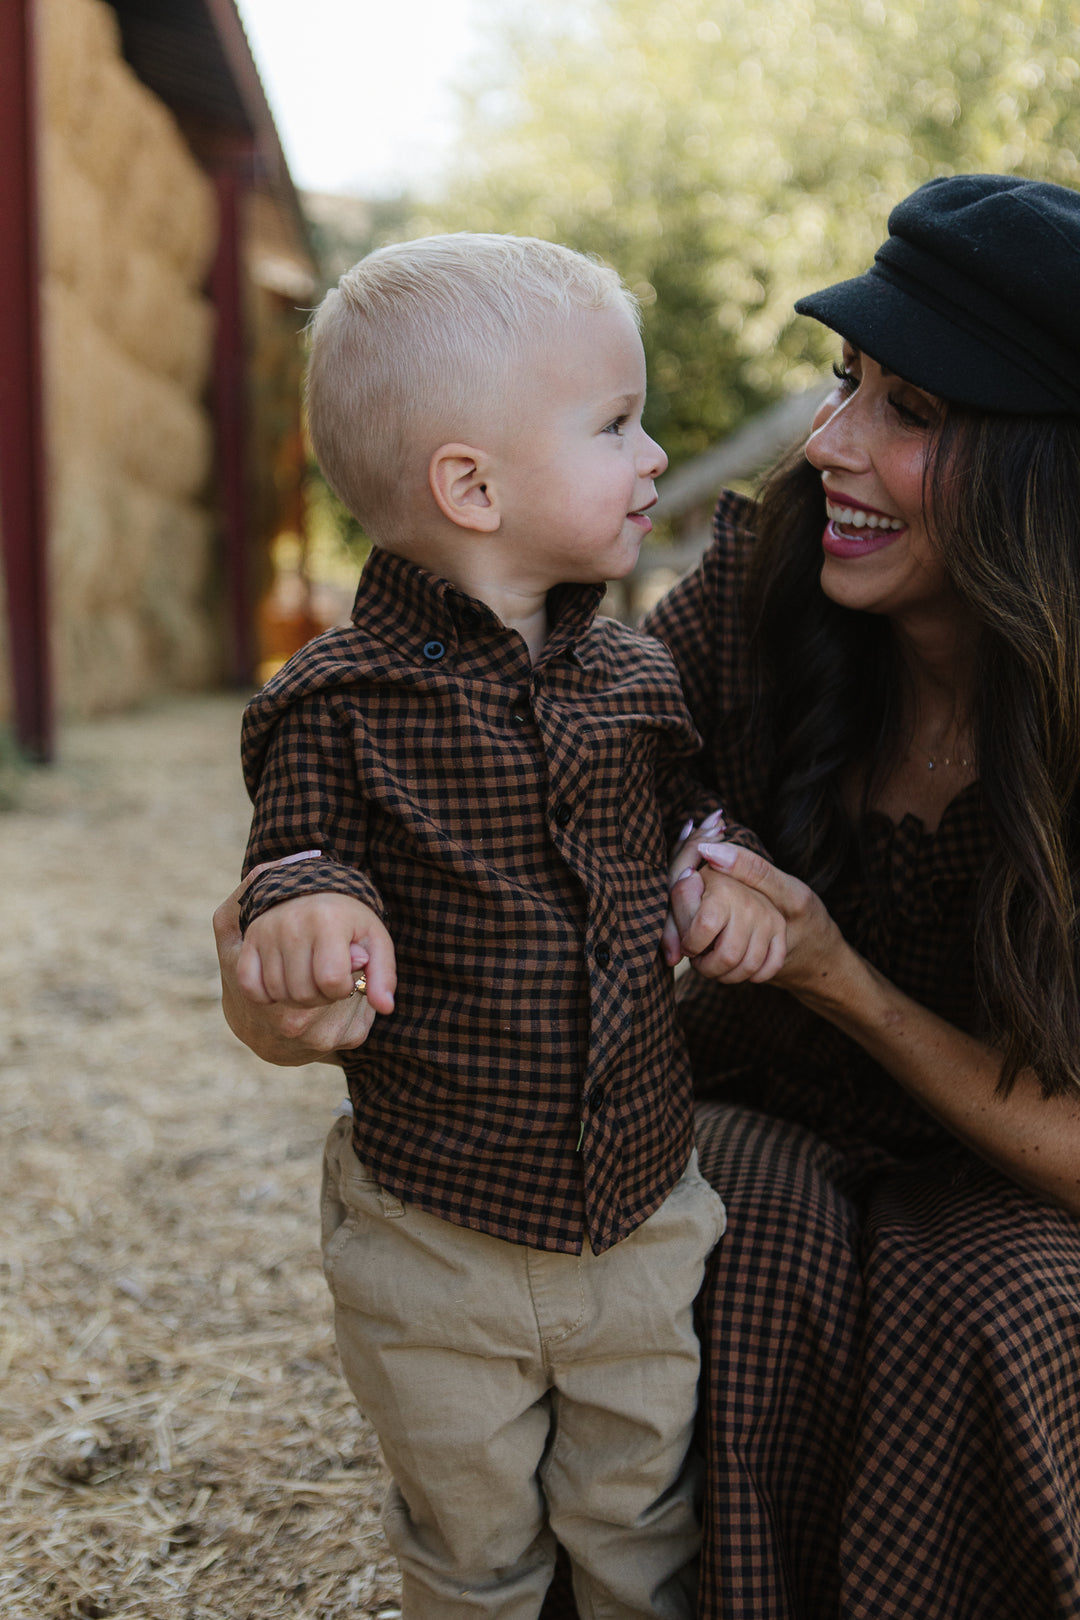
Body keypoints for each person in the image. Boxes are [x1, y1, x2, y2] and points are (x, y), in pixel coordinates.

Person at [215, 174, 1080, 1619]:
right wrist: (274, 971)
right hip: (737, 1102)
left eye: (909, 413)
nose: (830, 444)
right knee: (727, 1234)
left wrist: (835, 971)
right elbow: (428, 810)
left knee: (1001, 1312)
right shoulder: (735, 607)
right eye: (840, 381)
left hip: (1008, 1161)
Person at [232, 232, 748, 1620]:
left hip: (640, 1215)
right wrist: (314, 903)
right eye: (617, 424)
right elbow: (297, 851)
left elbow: (693, 815)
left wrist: (712, 870)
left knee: (641, 1523)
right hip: (437, 1233)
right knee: (471, 1544)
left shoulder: (637, 676)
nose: (653, 456)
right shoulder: (332, 704)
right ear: (473, 485)